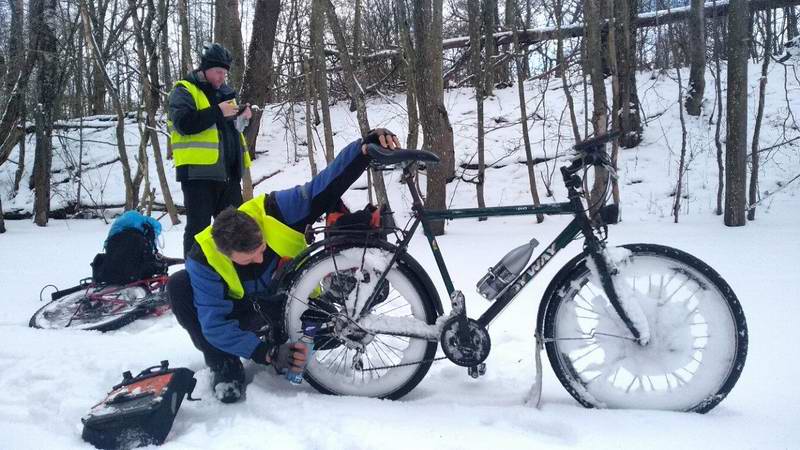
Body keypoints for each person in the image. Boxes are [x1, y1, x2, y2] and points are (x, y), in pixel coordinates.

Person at [167, 129, 400, 403]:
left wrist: (362, 149)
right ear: (226, 252)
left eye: (261, 250)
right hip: (241, 314)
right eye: (248, 258)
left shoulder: (276, 210)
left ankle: (288, 339)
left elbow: (323, 187)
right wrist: (266, 353)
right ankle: (223, 363)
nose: (258, 259)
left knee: (333, 333)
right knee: (178, 286)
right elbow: (215, 324)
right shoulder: (203, 257)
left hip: (287, 300)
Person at [168, 43, 253, 256]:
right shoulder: (184, 89)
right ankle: (194, 277)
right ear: (205, 69)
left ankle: (237, 277)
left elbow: (231, 131)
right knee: (199, 230)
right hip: (198, 176)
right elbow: (184, 124)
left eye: (224, 73)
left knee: (237, 231)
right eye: (218, 72)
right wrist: (217, 111)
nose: (222, 77)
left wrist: (243, 118)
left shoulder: (225, 93)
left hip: (229, 176)